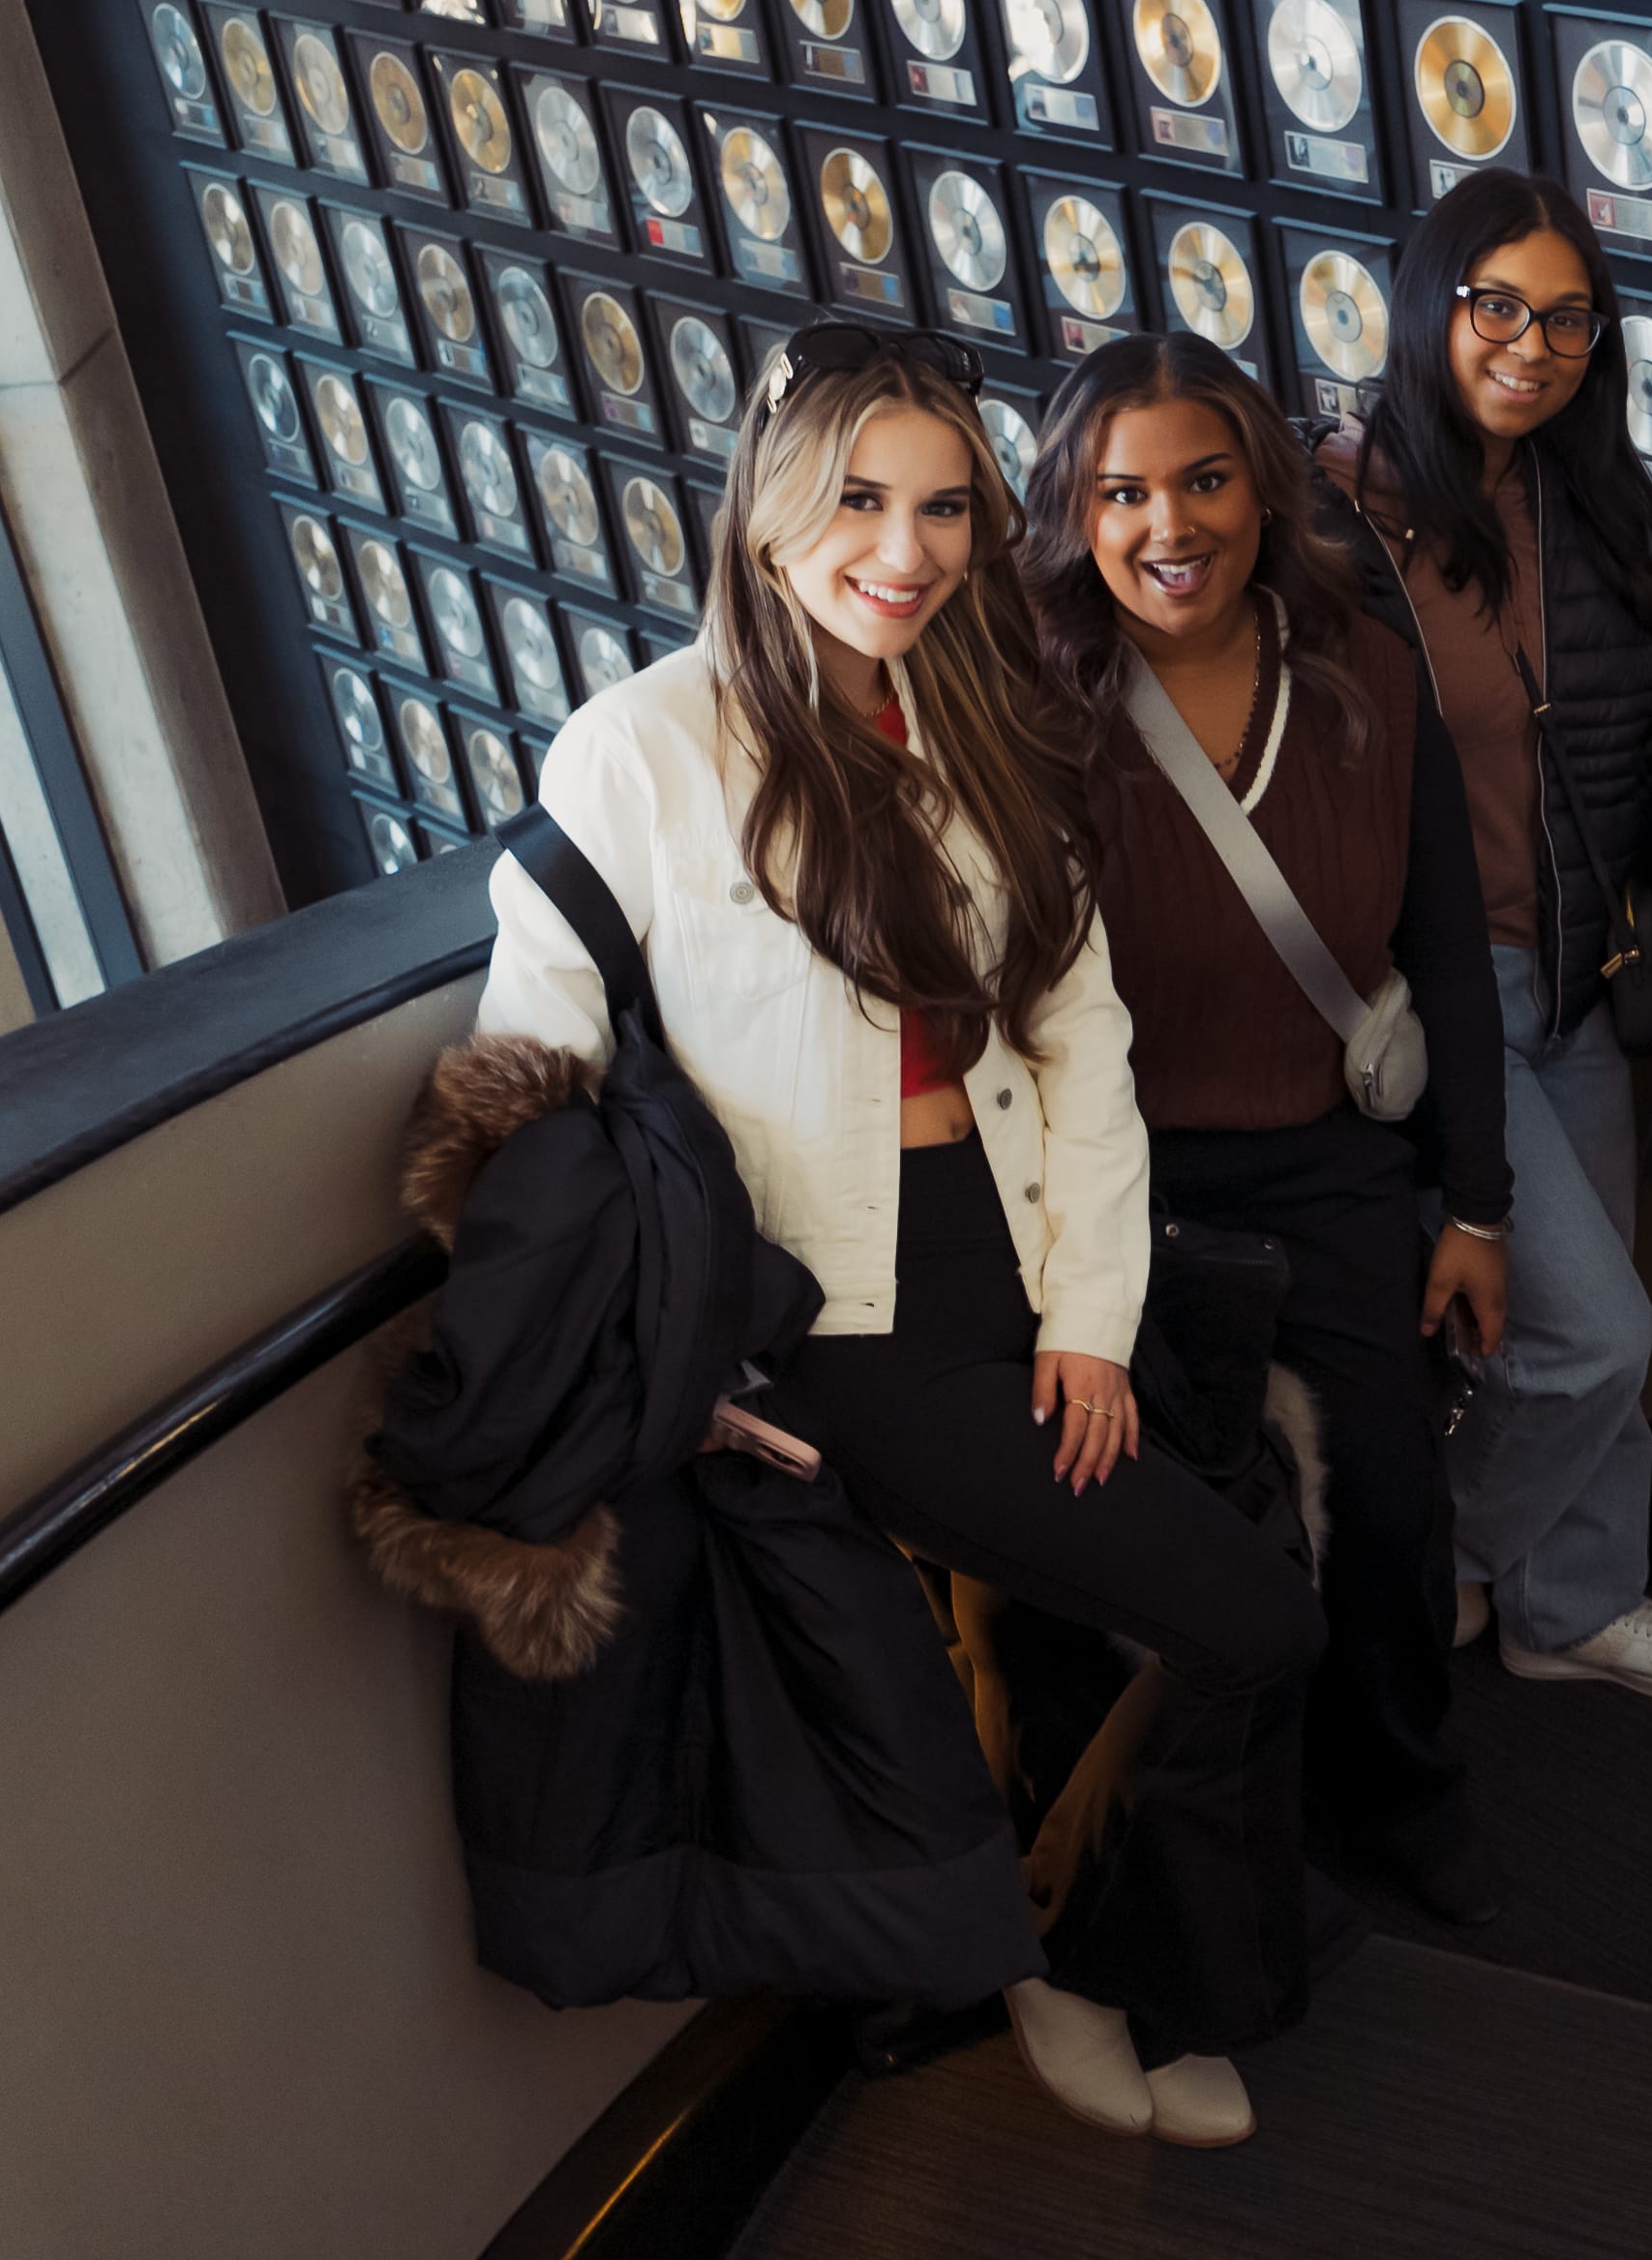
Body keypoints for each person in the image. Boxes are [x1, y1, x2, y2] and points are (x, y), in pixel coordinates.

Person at [475, 325, 1320, 2150]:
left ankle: (1115, 1950)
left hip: (1032, 1250)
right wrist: (677, 1370)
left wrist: (1090, 1310)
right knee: (1245, 1613)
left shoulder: (981, 711)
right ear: (769, 511)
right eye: (861, 499)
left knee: (1177, 1601)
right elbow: (536, 1104)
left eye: (943, 505)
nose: (907, 548)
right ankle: (1072, 1958)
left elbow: (1077, 1029)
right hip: (854, 1322)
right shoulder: (638, 752)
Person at [1020, 327, 1524, 1932]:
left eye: (1205, 479)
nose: (1169, 525)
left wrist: (1479, 1206)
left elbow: (1448, 949)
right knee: (1165, 1534)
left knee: (1390, 1494)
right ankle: (1211, 1849)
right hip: (1115, 1183)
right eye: (1123, 493)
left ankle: (1408, 1801)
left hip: (1324, 1156)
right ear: (1074, 514)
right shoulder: (1031, 709)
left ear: (1267, 483)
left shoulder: (1370, 676)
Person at [1324, 170, 1652, 1701]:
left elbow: (1650, 754)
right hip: (1432, 1004)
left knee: (1582, 1340)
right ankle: (1418, 1577)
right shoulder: (1333, 524)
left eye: (1569, 317)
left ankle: (1567, 1607)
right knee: (1592, 1336)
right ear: (1429, 302)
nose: (1532, 342)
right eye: (1496, 303)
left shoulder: (1583, 502)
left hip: (1575, 979)